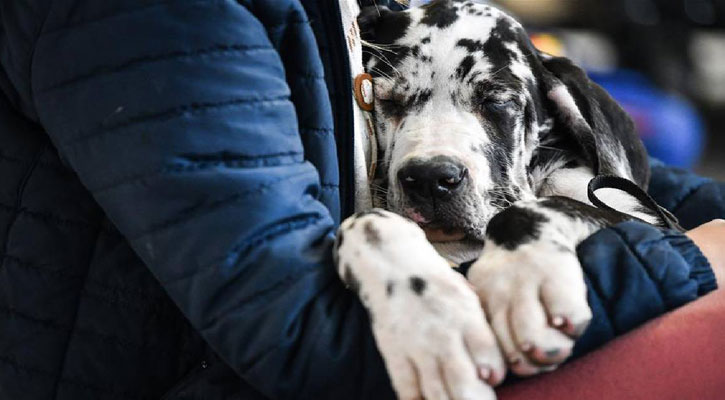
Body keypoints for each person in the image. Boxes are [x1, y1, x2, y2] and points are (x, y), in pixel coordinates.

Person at [0, 1, 722, 399]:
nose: (429, 153)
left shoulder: (358, 17)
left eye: (492, 102)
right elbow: (302, 335)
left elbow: (605, 169)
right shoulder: (158, 26)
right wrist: (692, 259)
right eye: (391, 103)